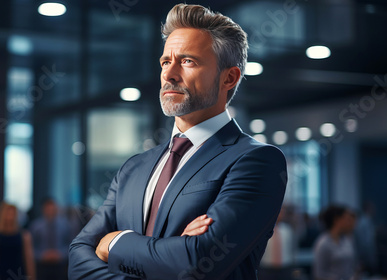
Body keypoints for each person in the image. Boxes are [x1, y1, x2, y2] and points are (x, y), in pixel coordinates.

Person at [69, 4, 287, 279]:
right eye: (165, 62)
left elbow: (197, 262)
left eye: (187, 61)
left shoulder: (256, 161)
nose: (169, 74)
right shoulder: (134, 168)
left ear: (229, 78)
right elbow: (78, 258)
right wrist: (170, 251)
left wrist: (113, 243)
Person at [0, 202, 36, 280]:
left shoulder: (24, 235)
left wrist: (32, 277)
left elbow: (29, 260)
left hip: (19, 274)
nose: (10, 216)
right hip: (2, 274)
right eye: (7, 213)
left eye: (13, 213)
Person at [30, 198, 73, 280]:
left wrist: (61, 254)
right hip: (41, 265)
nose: (50, 211)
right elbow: (30, 248)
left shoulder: (65, 225)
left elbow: (71, 245)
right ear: (43, 210)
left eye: (52, 209)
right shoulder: (35, 226)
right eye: (48, 209)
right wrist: (41, 255)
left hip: (61, 265)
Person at [313, 205, 358, 280]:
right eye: (347, 219)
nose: (350, 223)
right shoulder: (323, 243)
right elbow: (318, 274)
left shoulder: (346, 240)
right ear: (336, 220)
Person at [259, 206, 295, 280]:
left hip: (285, 268)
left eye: (282, 212)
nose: (280, 214)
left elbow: (292, 249)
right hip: (267, 269)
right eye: (279, 212)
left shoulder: (288, 230)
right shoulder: (263, 231)